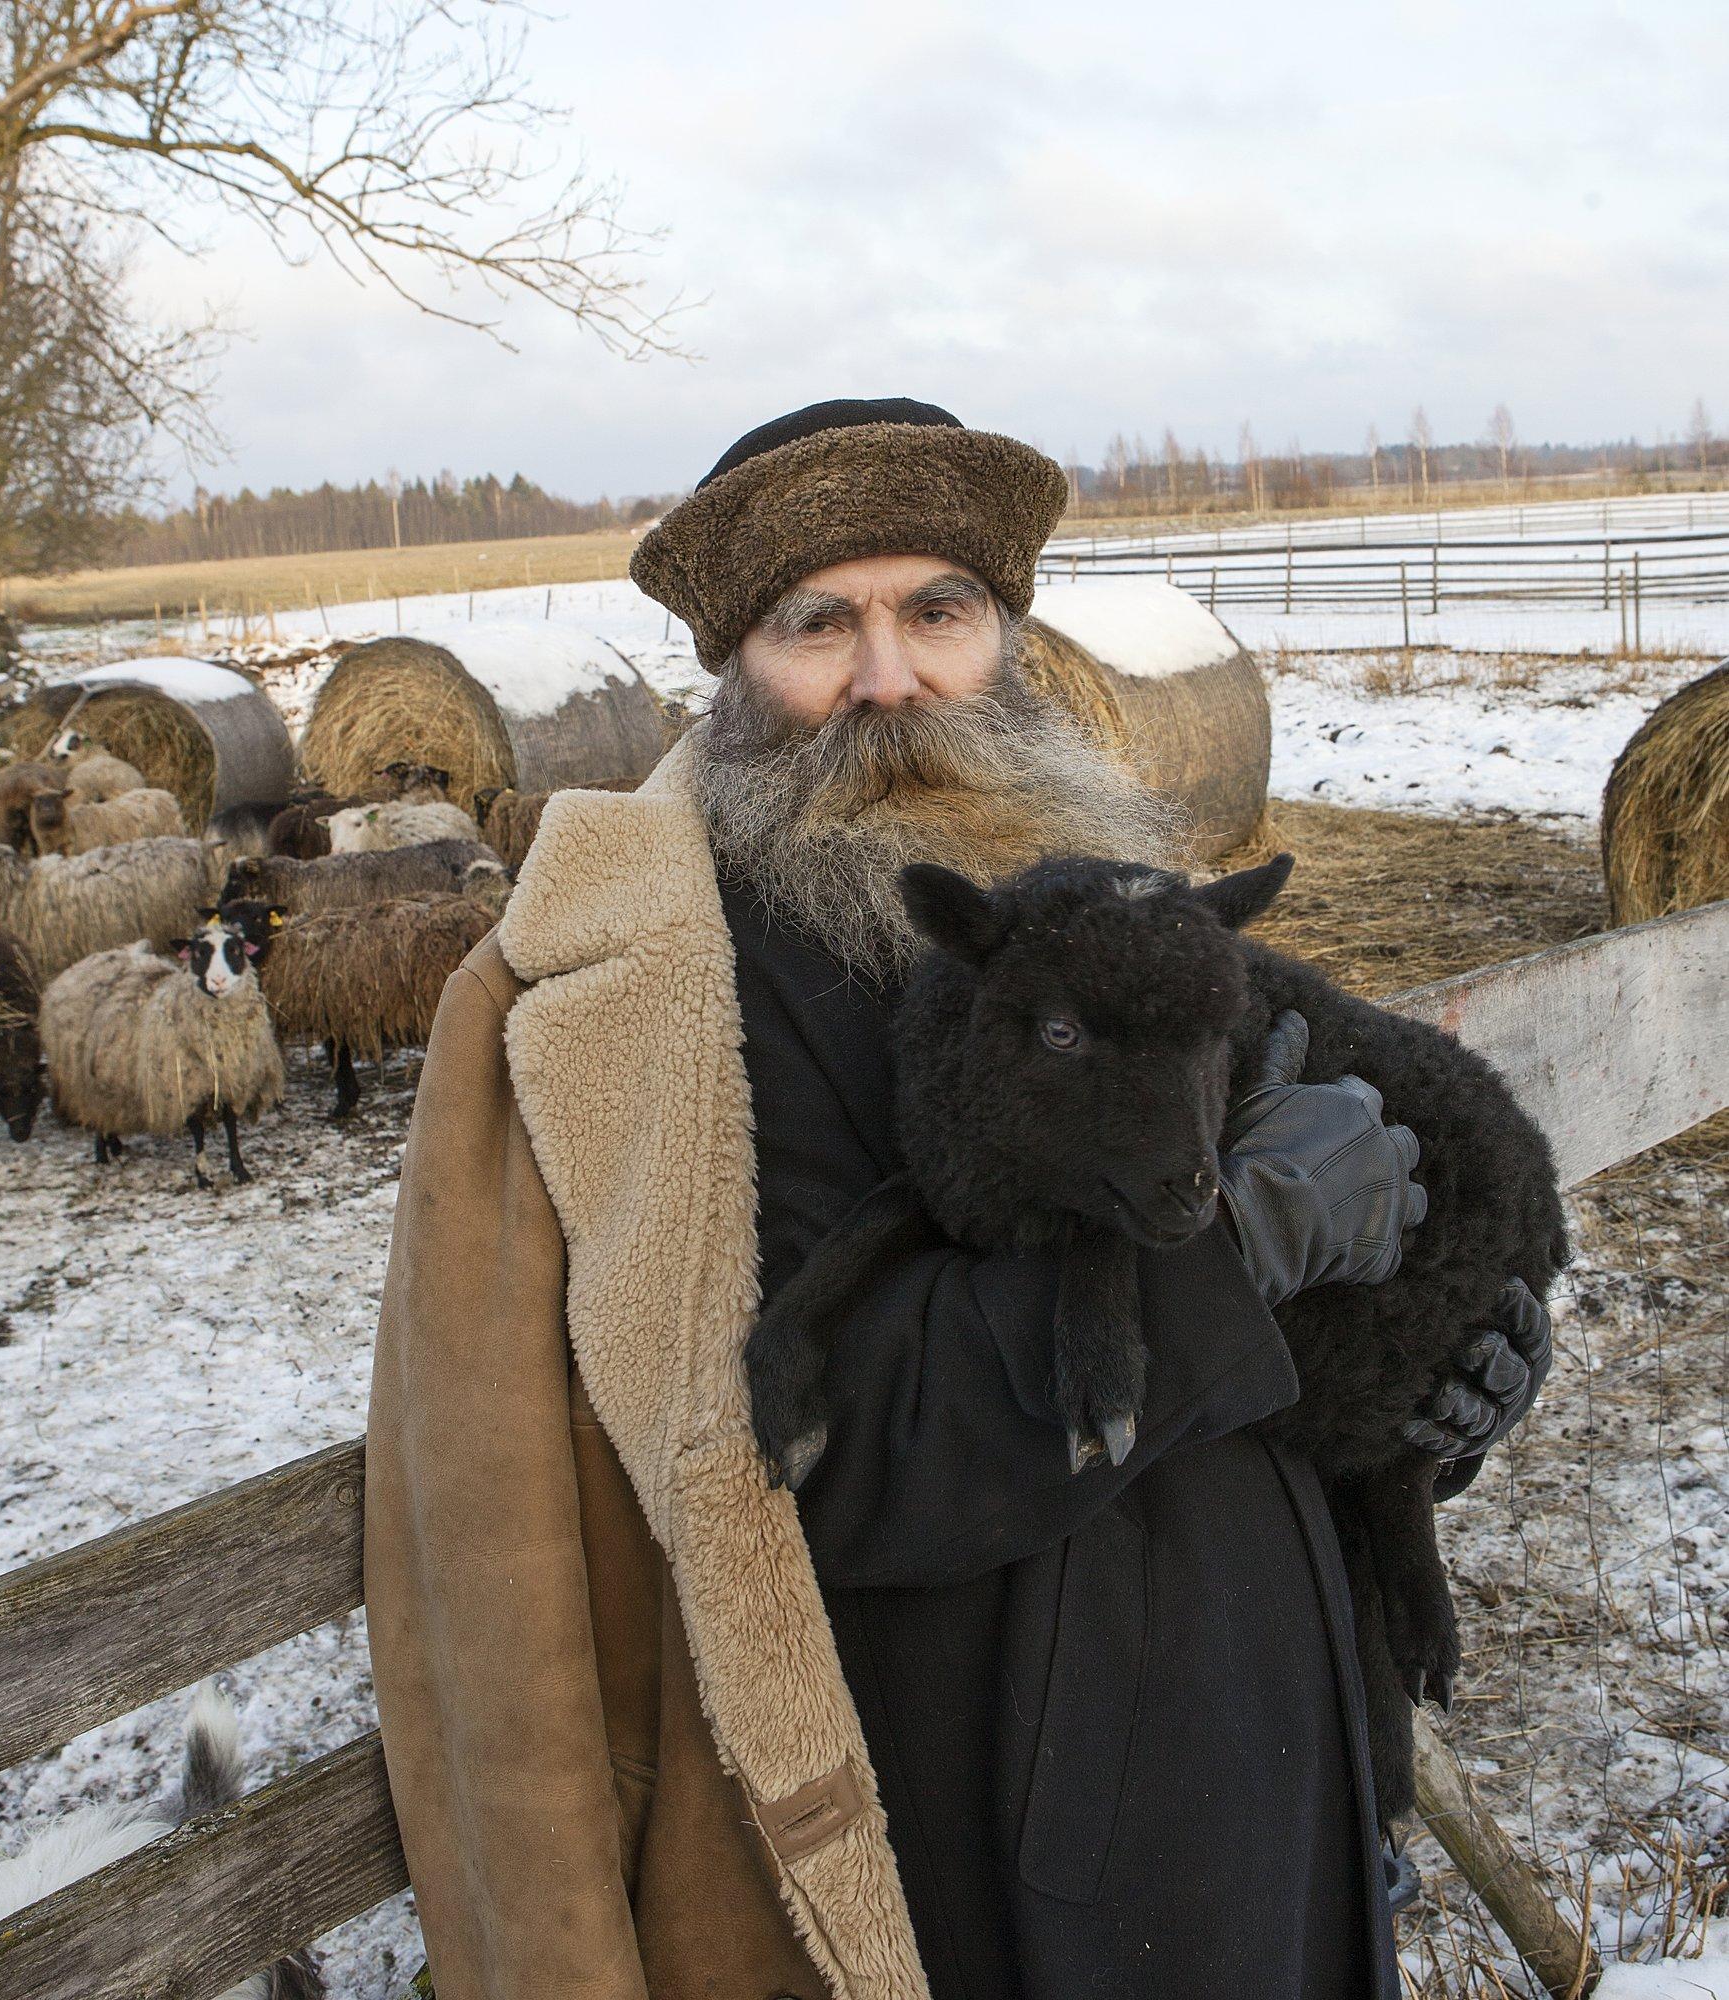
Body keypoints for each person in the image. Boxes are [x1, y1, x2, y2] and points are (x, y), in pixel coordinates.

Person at [365, 397, 1552, 2000]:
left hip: (1277, 1752)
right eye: (816, 625)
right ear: (731, 666)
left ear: (1004, 634)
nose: (886, 677)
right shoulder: (704, 999)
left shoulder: (1093, 896)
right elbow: (837, 1450)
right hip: (1037, 1861)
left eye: (939, 611)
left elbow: (1304, 1223)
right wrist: (1251, 1243)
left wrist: (1425, 1384)